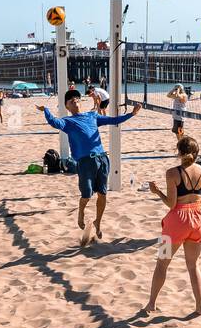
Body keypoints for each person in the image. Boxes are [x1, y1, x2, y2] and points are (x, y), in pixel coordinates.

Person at [37, 89, 142, 245]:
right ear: (67, 106)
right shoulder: (67, 121)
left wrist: (131, 114)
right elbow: (53, 122)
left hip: (102, 159)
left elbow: (113, 121)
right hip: (85, 162)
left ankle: (98, 222)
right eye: (71, 100)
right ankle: (80, 214)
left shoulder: (92, 116)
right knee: (86, 195)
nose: (74, 101)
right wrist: (45, 110)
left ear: (80, 102)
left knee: (103, 194)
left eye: (76, 99)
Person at [140, 135, 201, 317]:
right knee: (194, 265)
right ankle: (200, 306)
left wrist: (157, 192)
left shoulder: (172, 173)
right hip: (198, 219)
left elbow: (171, 204)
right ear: (196, 152)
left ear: (179, 152)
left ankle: (151, 303)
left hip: (177, 221)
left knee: (162, 264)